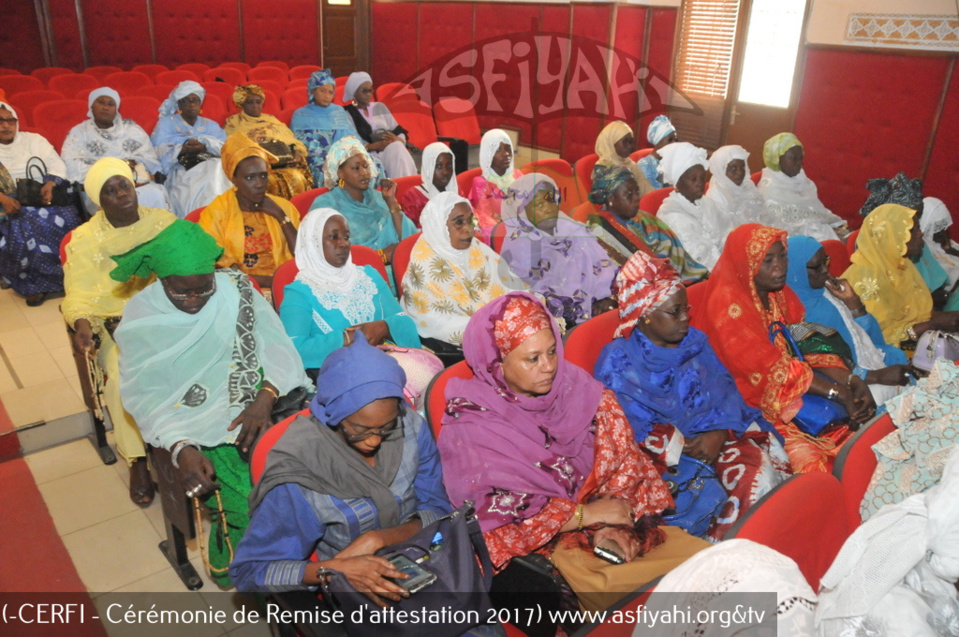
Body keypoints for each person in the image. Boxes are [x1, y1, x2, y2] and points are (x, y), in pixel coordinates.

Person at [438, 292, 709, 616]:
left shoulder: (579, 390)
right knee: (650, 608)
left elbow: (626, 463)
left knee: (713, 570)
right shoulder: (473, 427)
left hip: (622, 527)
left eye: (552, 351)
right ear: (496, 364)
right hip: (548, 553)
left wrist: (615, 522)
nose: (549, 367)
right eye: (532, 359)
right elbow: (489, 524)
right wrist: (585, 516)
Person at [112, 219, 311, 586]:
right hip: (193, 423)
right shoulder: (142, 317)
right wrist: (181, 448)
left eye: (204, 289)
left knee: (311, 477)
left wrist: (264, 398)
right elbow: (146, 399)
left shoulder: (235, 289)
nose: (194, 300)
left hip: (262, 400)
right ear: (162, 280)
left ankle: (308, 562)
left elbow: (280, 349)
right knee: (255, 499)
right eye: (181, 292)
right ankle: (246, 568)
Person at [229, 334, 449, 600]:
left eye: (385, 427)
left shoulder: (409, 427)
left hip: (422, 560)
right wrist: (334, 570)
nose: (374, 440)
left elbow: (438, 509)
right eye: (360, 429)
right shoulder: (302, 471)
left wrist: (380, 538)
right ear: (333, 414)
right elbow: (252, 571)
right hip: (351, 587)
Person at [595, 250, 790, 541]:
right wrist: (685, 446)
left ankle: (761, 545)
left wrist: (720, 433)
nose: (686, 318)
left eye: (686, 308)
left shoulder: (693, 343)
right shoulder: (618, 363)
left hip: (717, 436)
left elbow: (724, 393)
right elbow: (622, 431)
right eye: (675, 312)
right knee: (713, 497)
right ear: (644, 315)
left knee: (759, 477)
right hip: (662, 461)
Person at [691, 224, 874, 473]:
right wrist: (838, 393)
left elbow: (806, 346)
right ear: (747, 264)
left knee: (862, 444)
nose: (780, 267)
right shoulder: (729, 309)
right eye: (768, 260)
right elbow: (772, 371)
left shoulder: (778, 293)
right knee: (815, 464)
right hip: (750, 404)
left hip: (796, 391)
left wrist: (851, 381)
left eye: (782, 256)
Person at [61, 157, 177, 505]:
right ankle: (137, 459)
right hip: (113, 323)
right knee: (121, 374)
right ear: (99, 201)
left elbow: (189, 266)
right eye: (110, 191)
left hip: (169, 314)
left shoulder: (163, 223)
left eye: (124, 185)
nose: (121, 194)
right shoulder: (84, 239)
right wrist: (82, 324)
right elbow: (77, 295)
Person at [280, 208, 440, 407]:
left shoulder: (368, 276)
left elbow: (403, 319)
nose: (343, 243)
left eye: (346, 237)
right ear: (313, 243)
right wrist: (347, 339)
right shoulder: (299, 292)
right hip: (341, 376)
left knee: (430, 381)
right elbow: (294, 349)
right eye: (333, 237)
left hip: (385, 361)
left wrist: (384, 327)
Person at [786, 235, 912, 405]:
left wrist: (854, 304)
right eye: (817, 266)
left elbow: (869, 340)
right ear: (795, 271)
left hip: (863, 363)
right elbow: (818, 365)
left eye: (826, 261)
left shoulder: (826, 293)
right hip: (842, 381)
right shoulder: (794, 312)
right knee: (891, 393)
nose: (825, 270)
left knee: (896, 356)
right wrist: (873, 376)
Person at [401, 192, 522, 352]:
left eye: (470, 220)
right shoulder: (423, 263)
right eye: (459, 222)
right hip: (460, 342)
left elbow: (510, 284)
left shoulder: (476, 248)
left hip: (498, 323)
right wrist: (493, 325)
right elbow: (435, 321)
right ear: (439, 225)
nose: (469, 229)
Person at [500, 173, 617, 325]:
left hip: (596, 306)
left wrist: (604, 297)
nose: (549, 209)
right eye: (539, 205)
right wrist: (581, 310)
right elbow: (536, 298)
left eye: (551, 201)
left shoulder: (571, 228)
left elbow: (601, 266)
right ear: (522, 212)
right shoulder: (519, 246)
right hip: (554, 322)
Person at [843, 204, 959, 347]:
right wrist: (932, 324)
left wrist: (940, 318)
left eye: (918, 228)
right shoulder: (867, 278)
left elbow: (915, 315)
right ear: (890, 236)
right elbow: (877, 339)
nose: (921, 234)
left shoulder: (902, 264)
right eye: (911, 230)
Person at [0, 101, 81, 306]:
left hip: (41, 193)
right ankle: (36, 284)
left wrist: (51, 183)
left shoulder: (34, 140)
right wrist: (3, 199)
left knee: (66, 216)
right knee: (27, 223)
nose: (6, 125)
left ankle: (72, 277)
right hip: (8, 201)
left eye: (10, 120)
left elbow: (56, 164)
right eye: (0, 121)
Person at [199, 133, 300, 291]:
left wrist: (281, 216)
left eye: (263, 176)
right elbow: (219, 267)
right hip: (240, 289)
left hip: (286, 286)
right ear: (234, 179)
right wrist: (271, 282)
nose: (259, 184)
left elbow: (304, 255)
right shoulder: (217, 212)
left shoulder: (283, 207)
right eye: (250, 178)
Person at [586, 163, 708, 282]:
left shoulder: (642, 218)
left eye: (637, 192)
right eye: (629, 193)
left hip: (672, 279)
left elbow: (675, 253)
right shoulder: (599, 234)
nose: (636, 197)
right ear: (611, 198)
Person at [62, 87, 170, 214]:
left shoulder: (132, 129)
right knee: (116, 199)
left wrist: (131, 163)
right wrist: (109, 170)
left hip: (135, 182)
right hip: (101, 186)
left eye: (111, 104)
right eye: (101, 102)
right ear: (91, 106)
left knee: (156, 194)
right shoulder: (79, 132)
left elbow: (151, 159)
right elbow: (71, 163)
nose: (105, 107)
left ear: (116, 109)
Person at [859, 172, 957, 310]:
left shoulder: (916, 246)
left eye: (919, 217)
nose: (920, 230)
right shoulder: (875, 263)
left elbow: (936, 289)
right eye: (910, 221)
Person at [310, 137, 415, 265]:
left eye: (366, 166)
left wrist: (391, 201)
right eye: (356, 168)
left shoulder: (379, 198)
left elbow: (409, 238)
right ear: (340, 173)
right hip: (358, 273)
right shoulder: (326, 206)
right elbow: (327, 256)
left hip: (399, 265)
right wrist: (381, 256)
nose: (364, 172)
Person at [151, 81, 231, 218]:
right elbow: (157, 150)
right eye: (186, 101)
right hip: (180, 167)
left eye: (195, 100)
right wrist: (181, 149)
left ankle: (218, 216)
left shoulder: (210, 125)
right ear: (179, 104)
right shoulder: (166, 123)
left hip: (211, 163)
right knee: (200, 181)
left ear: (200, 103)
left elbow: (226, 148)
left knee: (216, 170)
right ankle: (198, 218)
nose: (191, 104)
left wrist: (205, 146)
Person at [224, 84, 313, 200]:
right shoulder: (234, 123)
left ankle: (295, 208)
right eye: (250, 102)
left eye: (258, 102)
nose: (255, 106)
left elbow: (291, 139)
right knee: (270, 182)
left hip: (284, 163)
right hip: (256, 167)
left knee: (297, 178)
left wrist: (297, 152)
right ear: (241, 104)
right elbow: (234, 147)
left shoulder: (271, 119)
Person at [656, 142, 735, 270]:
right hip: (697, 273)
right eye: (693, 179)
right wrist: (730, 269)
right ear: (678, 181)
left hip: (722, 265)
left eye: (702, 178)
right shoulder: (671, 215)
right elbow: (698, 259)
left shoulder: (706, 202)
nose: (699, 183)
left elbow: (727, 233)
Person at [757, 133, 846, 242]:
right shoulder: (770, 190)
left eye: (801, 158)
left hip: (814, 229)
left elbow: (814, 210)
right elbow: (784, 230)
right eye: (794, 159)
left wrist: (834, 227)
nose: (799, 163)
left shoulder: (801, 179)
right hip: (794, 240)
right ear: (777, 159)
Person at [342, 72, 416, 179]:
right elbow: (351, 144)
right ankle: (405, 184)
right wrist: (375, 146)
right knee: (397, 149)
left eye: (370, 90)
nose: (369, 94)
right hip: (368, 156)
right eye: (364, 91)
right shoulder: (348, 113)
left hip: (392, 150)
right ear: (354, 92)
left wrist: (398, 139)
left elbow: (399, 130)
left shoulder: (380, 107)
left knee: (397, 147)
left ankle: (403, 183)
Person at [290, 69, 358, 186]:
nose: (327, 96)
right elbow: (297, 143)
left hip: (340, 155)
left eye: (330, 92)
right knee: (326, 171)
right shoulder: (300, 114)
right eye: (322, 91)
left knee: (372, 164)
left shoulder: (338, 111)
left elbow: (350, 139)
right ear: (313, 90)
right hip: (315, 158)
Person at [703, 144, 773, 227]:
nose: (740, 173)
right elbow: (724, 231)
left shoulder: (748, 185)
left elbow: (764, 216)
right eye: (733, 168)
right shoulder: (716, 197)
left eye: (742, 167)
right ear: (721, 170)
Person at [469, 129, 523, 232]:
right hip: (498, 232)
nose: (506, 154)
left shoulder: (517, 175)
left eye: (508, 148)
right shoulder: (482, 183)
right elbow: (485, 219)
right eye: (498, 150)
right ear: (488, 154)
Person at [399, 141, 457, 227]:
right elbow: (410, 230)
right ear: (428, 168)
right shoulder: (412, 196)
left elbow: (471, 219)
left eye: (449, 166)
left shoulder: (456, 191)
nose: (445, 172)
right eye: (439, 166)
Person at [593, 120, 654, 197]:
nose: (630, 146)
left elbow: (647, 189)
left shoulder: (631, 165)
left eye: (631, 142)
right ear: (612, 142)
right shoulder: (603, 168)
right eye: (625, 142)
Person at [921, 196, 959, 293]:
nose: (943, 230)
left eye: (944, 224)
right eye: (937, 226)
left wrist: (947, 247)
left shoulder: (944, 242)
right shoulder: (923, 249)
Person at [636, 114, 677, 189]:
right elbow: (648, 194)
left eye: (675, 140)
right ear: (658, 141)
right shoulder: (644, 165)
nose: (674, 144)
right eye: (670, 140)